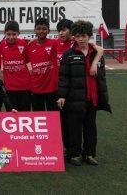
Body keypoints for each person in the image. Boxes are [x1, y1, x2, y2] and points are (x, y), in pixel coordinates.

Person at [57, 20, 111, 166]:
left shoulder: (96, 54)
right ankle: (75, 154)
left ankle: (89, 154)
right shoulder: (68, 55)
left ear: (89, 36)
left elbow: (102, 76)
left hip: (92, 97)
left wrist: (102, 94)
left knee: (90, 127)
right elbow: (63, 77)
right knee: (74, 127)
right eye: (78, 36)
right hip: (75, 98)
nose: (81, 39)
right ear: (74, 36)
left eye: (84, 36)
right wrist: (62, 96)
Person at [0, 21, 32, 111]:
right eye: (8, 34)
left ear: (18, 33)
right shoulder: (1, 44)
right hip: (10, 87)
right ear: (4, 33)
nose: (11, 37)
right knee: (12, 115)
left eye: (14, 34)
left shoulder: (24, 43)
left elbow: (30, 57)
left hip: (25, 86)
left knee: (25, 114)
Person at [26, 18, 58, 111]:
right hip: (36, 88)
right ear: (34, 30)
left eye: (44, 29)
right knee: (39, 118)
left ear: (48, 30)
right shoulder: (29, 45)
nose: (41, 31)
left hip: (51, 88)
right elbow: (25, 59)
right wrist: (30, 68)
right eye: (38, 28)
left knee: (53, 117)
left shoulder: (54, 43)